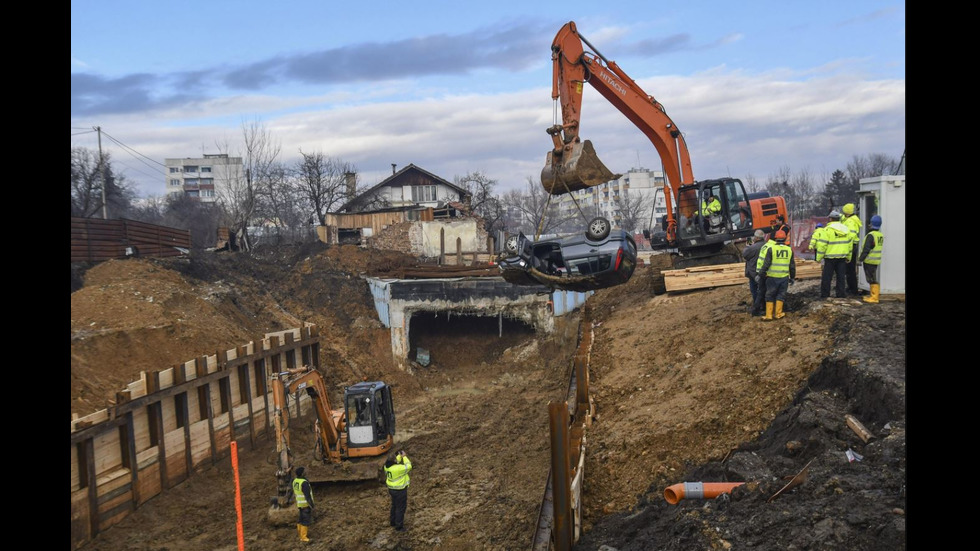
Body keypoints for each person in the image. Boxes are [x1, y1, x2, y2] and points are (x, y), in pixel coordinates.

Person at [757, 229, 796, 320]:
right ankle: (778, 314)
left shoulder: (771, 249)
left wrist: (760, 274)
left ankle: (769, 315)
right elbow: (792, 266)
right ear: (785, 238)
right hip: (784, 277)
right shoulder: (789, 250)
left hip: (772, 277)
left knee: (770, 295)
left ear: (775, 238)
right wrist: (792, 277)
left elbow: (766, 264)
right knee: (781, 295)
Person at [817, 211, 852, 299]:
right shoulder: (846, 229)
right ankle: (840, 295)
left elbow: (822, 245)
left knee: (827, 277)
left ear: (831, 219)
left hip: (830, 257)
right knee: (841, 277)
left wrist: (819, 258)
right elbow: (849, 244)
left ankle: (825, 295)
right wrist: (849, 256)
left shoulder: (827, 230)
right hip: (842, 257)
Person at [384, 450, 412, 532]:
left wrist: (399, 456)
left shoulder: (387, 466)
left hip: (392, 489)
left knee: (394, 505)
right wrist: (404, 456)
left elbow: (396, 461)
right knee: (400, 508)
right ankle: (399, 527)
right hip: (400, 490)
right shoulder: (398, 469)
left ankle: (392, 522)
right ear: (394, 461)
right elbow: (409, 466)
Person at [859, 215, 884, 303]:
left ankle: (874, 297)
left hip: (869, 260)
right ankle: (873, 295)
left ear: (871, 224)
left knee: (871, 279)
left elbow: (866, 249)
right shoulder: (879, 235)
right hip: (875, 260)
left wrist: (860, 259)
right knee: (872, 278)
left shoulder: (871, 235)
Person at [742, 230, 767, 316]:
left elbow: (745, 254)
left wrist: (748, 245)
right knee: (763, 289)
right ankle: (764, 306)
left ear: (756, 238)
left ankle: (757, 307)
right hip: (764, 271)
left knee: (755, 290)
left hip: (754, 271)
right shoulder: (766, 245)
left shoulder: (753, 247)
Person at [841, 203, 863, 295]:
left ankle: (853, 289)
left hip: (851, 246)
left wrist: (848, 251)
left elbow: (850, 236)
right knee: (849, 269)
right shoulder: (852, 219)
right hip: (852, 245)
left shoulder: (850, 222)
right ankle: (851, 287)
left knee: (850, 269)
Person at [292, 466, 315, 543]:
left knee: (300, 520)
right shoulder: (304, 483)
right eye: (304, 471)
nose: (306, 472)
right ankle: (304, 537)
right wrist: (312, 505)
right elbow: (307, 496)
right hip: (305, 504)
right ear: (302, 473)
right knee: (305, 521)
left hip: (299, 504)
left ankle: (300, 534)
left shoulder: (295, 481)